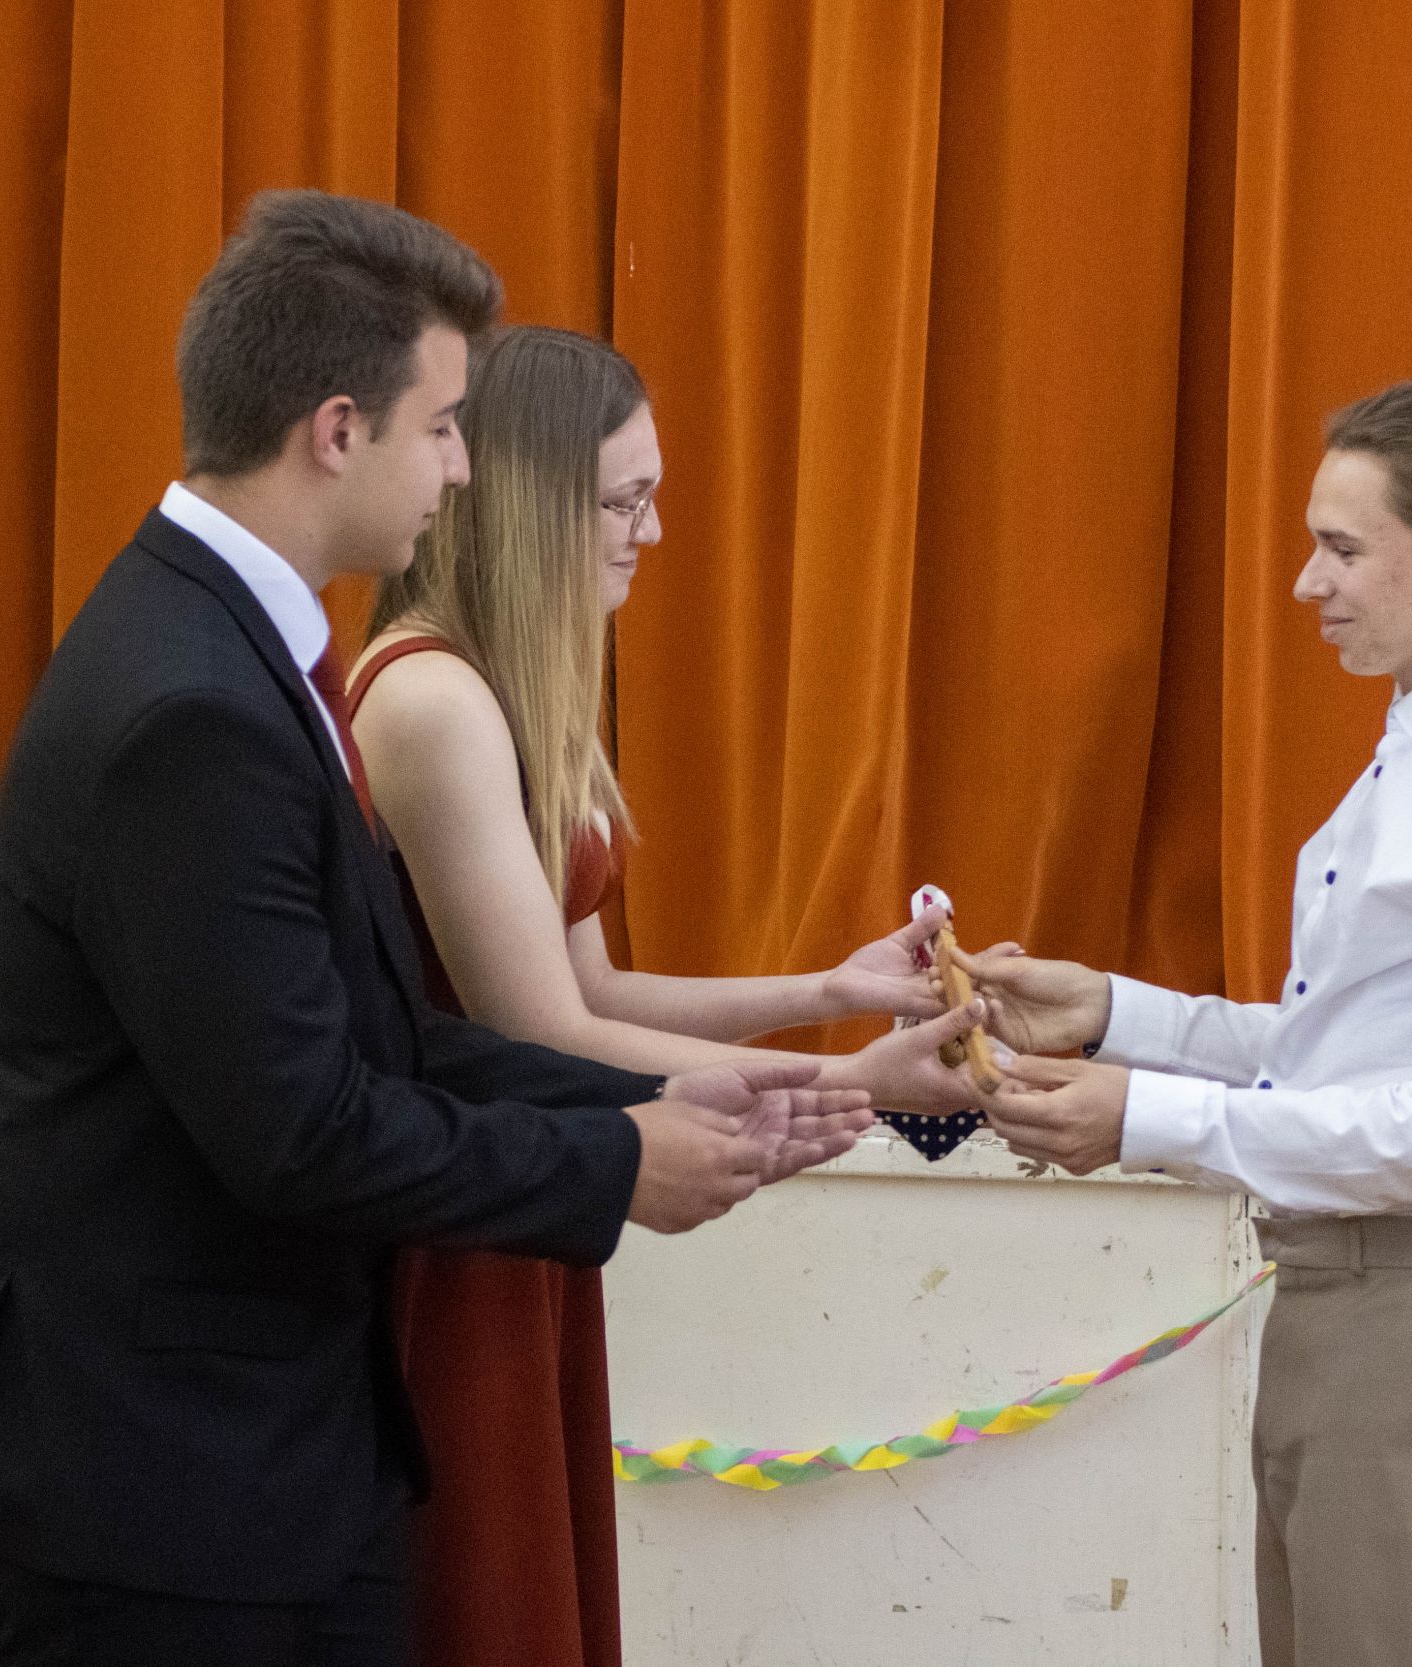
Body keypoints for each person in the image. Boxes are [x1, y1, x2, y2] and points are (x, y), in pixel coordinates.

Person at [0, 191, 872, 1667]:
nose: (466, 468)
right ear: (337, 431)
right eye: (445, 427)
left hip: (260, 1446)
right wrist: (617, 1162)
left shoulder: (235, 644)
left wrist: (684, 1099)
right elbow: (302, 1129)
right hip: (158, 1472)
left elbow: (385, 1034)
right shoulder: (189, 706)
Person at [963, 378, 1412, 1667]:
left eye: (1344, 548)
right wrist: (1114, 1017)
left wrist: (1150, 1119)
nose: (1307, 583)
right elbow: (1340, 1055)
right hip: (1363, 1301)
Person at [343, 324, 981, 1667]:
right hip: (456, 1221)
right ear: (528, 504)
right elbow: (541, 1032)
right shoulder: (432, 697)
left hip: (525, 1203)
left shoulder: (508, 691)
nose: (654, 532)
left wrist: (835, 986)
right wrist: (858, 1078)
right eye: (625, 501)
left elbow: (592, 986)